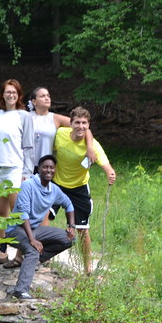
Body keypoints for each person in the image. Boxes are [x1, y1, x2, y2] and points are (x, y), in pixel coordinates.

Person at [52, 106, 116, 274]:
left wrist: (110, 173)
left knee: (83, 229)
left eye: (84, 123)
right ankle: (40, 256)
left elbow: (105, 164)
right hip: (57, 184)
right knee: (42, 216)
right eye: (77, 123)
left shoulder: (93, 145)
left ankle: (88, 268)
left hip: (79, 187)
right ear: (70, 124)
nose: (81, 126)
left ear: (89, 125)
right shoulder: (60, 134)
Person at [6, 155, 76, 300]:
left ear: (55, 170)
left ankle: (35, 260)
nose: (48, 170)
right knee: (32, 250)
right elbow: (23, 213)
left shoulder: (54, 189)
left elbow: (68, 204)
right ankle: (20, 291)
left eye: (51, 168)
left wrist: (71, 226)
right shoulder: (28, 185)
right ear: (39, 169)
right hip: (15, 229)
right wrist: (32, 239)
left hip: (33, 229)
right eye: (45, 167)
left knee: (68, 239)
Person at [0, 79, 36, 267]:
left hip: (15, 169)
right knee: (1, 212)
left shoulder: (24, 116)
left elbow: (29, 146)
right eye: (8, 92)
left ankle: (22, 254)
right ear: (2, 94)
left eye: (14, 92)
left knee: (18, 213)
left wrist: (27, 172)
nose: (11, 95)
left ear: (19, 95)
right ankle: (2, 252)